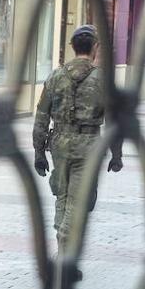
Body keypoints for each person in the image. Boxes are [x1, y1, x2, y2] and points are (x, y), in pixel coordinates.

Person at [32, 24, 123, 276]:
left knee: (63, 196)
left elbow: (41, 117)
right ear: (95, 48)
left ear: (72, 47)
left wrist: (39, 151)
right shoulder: (103, 80)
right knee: (78, 199)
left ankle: (65, 252)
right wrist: (117, 153)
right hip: (89, 145)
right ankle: (64, 248)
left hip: (59, 143)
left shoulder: (55, 76)